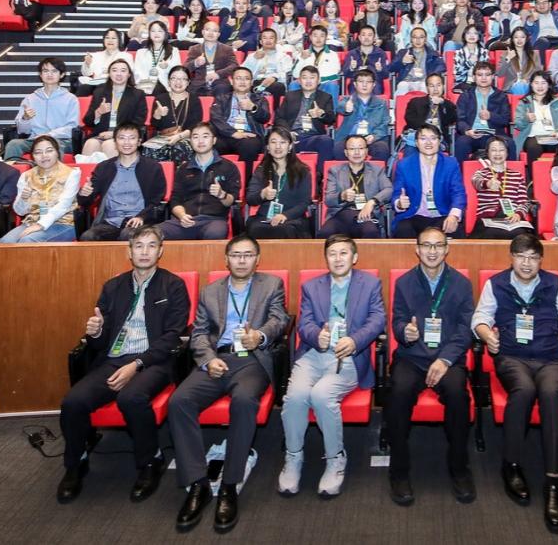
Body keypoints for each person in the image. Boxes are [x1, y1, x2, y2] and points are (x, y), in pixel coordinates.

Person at [56, 227, 191, 504]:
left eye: (151, 246)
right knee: (73, 402)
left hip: (154, 361)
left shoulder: (173, 286)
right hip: (114, 359)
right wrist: (95, 332)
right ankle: (75, 463)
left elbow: (173, 336)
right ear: (129, 252)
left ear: (160, 251)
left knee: (131, 398)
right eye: (138, 246)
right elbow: (99, 341)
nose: (144, 251)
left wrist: (138, 364)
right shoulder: (113, 286)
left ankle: (150, 461)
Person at [170, 237, 288, 533]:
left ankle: (230, 484)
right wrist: (208, 359)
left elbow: (279, 319)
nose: (242, 260)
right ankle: (198, 483)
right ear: (226, 259)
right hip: (217, 360)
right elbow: (199, 333)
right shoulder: (210, 292)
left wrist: (259, 336)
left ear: (257, 259)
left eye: (248, 255)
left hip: (252, 360)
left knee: (244, 401)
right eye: (236, 255)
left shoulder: (271, 285)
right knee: (179, 401)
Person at [472, 232, 558, 533]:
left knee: (551, 392)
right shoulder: (496, 284)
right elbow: (480, 317)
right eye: (521, 257)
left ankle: (553, 482)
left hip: (550, 358)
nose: (526, 263)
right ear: (511, 258)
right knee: (524, 390)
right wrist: (487, 334)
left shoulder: (555, 284)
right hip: (512, 357)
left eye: (533, 258)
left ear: (541, 260)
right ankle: (511, 465)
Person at [278, 236, 386, 497]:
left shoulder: (370, 283)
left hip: (348, 356)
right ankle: (293, 457)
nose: (338, 259)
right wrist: (317, 336)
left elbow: (378, 319)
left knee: (321, 395)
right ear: (326, 258)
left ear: (354, 257)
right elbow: (304, 324)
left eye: (344, 253)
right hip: (314, 354)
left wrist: (355, 340)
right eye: (332, 254)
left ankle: (335, 458)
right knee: (295, 397)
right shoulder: (311, 286)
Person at [385, 227, 477, 506]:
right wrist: (404, 331)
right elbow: (397, 320)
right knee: (398, 392)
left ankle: (459, 468)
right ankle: (399, 471)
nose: (432, 251)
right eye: (426, 245)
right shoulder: (404, 282)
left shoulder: (461, 284)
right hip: (412, 357)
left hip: (447, 358)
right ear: (417, 249)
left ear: (447, 249)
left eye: (438, 245)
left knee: (458, 395)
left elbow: (465, 329)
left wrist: (445, 359)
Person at [78, 125, 165, 241]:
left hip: (139, 222)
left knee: (128, 235)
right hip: (110, 222)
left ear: (139, 142)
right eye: (122, 138)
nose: (126, 142)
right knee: (88, 236)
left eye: (132, 138)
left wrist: (142, 217)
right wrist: (84, 193)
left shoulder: (152, 167)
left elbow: (157, 200)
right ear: (115, 142)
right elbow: (85, 202)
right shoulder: (104, 168)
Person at [159, 124, 241, 240]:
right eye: (195, 137)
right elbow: (175, 199)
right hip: (185, 221)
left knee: (215, 234)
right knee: (155, 233)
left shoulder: (228, 167)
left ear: (214, 140)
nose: (200, 141)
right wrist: (182, 215)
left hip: (214, 221)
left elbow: (232, 200)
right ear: (191, 141)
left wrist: (222, 195)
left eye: (205, 136)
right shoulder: (183, 169)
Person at [0, 135, 80, 242]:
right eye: (38, 152)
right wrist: (24, 199)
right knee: (5, 242)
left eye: (49, 151)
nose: (44, 156)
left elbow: (64, 205)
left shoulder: (72, 173)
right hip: (32, 222)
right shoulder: (26, 176)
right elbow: (20, 212)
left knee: (27, 241)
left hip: (64, 222)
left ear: (57, 152)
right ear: (32, 156)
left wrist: (40, 225)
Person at [391, 124, 466, 238]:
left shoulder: (450, 164)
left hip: (442, 214)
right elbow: (396, 194)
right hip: (414, 215)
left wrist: (453, 216)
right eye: (423, 138)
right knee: (403, 230)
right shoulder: (404, 165)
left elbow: (458, 193)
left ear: (439, 141)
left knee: (455, 230)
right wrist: (400, 204)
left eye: (433, 138)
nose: (428, 142)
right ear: (416, 143)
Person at [244, 128, 315, 240]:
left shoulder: (302, 171)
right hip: (264, 217)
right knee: (255, 228)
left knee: (285, 230)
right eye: (273, 142)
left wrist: (285, 215)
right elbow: (250, 199)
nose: (278, 146)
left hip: (292, 218)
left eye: (282, 142)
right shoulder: (261, 170)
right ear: (268, 147)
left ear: (290, 147)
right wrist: (262, 194)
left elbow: (304, 203)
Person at [319, 135, 392, 238]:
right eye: (352, 149)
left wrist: (372, 202)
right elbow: (328, 200)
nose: (357, 152)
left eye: (361, 148)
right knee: (324, 234)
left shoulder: (377, 170)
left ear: (366, 151)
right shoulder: (335, 171)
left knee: (370, 232)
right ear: (346, 152)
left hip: (366, 214)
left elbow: (389, 189)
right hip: (341, 214)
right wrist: (342, 196)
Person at [6, 58, 79, 161]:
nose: (49, 74)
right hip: (35, 140)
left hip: (61, 140)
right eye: (45, 71)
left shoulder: (70, 99)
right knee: (13, 144)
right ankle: (11, 171)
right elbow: (22, 130)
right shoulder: (30, 98)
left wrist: (50, 135)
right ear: (40, 74)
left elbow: (72, 126)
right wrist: (25, 119)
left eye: (54, 71)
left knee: (53, 147)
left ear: (62, 75)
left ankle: (55, 172)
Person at [79, 59, 147, 160]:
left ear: (129, 75)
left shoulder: (138, 94)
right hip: (100, 134)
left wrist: (115, 133)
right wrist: (98, 112)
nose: (118, 74)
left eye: (123, 70)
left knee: (109, 145)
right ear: (109, 74)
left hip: (124, 136)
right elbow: (87, 121)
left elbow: (138, 121)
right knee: (90, 144)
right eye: (114, 70)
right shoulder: (99, 92)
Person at [470, 136, 533, 239]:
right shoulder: (481, 173)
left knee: (522, 236)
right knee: (490, 234)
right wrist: (488, 184)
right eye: (493, 150)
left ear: (507, 153)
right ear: (487, 153)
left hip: (512, 218)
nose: (498, 154)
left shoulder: (517, 176)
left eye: (501, 150)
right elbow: (476, 182)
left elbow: (524, 202)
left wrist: (518, 214)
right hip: (488, 218)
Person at [454, 61, 513, 162]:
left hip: (495, 135)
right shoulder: (466, 96)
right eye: (480, 75)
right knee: (461, 143)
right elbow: (460, 120)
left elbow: (505, 119)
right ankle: (460, 172)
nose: (484, 78)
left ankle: (510, 172)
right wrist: (467, 130)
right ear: (474, 77)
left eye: (487, 75)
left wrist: (490, 116)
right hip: (472, 134)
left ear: (493, 76)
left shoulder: (501, 96)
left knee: (510, 143)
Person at [209, 67, 271, 162]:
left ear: (251, 82)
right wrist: (233, 133)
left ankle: (247, 172)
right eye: (238, 78)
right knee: (208, 144)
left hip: (249, 136)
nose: (242, 81)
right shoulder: (221, 99)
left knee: (250, 145)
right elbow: (216, 119)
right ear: (231, 81)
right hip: (225, 135)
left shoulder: (260, 100)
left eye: (246, 78)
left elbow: (265, 118)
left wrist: (253, 108)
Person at [514, 71, 558, 166]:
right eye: (536, 83)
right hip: (533, 137)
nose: (540, 86)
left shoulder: (557, 101)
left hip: (553, 136)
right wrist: (526, 119)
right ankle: (533, 175)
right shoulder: (524, 102)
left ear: (549, 85)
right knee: (533, 147)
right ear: (531, 84)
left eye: (543, 83)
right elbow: (518, 124)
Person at [333, 69, 390, 161]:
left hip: (371, 137)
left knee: (382, 150)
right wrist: (346, 108)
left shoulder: (381, 103)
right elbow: (340, 107)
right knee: (338, 150)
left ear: (374, 84)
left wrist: (375, 136)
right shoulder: (347, 100)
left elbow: (385, 123)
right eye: (361, 81)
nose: (364, 85)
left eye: (368, 82)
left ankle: (371, 170)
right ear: (355, 84)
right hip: (349, 137)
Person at [148, 65, 203, 156]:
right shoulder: (160, 98)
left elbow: (195, 127)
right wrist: (157, 115)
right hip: (163, 138)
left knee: (179, 148)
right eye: (174, 78)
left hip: (185, 138)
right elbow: (155, 126)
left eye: (183, 79)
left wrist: (179, 136)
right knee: (149, 150)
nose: (178, 82)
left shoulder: (194, 100)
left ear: (188, 82)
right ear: (169, 81)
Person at [402, 73, 457, 154]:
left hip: (437, 139)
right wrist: (428, 127)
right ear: (427, 88)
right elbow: (410, 120)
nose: (435, 89)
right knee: (411, 152)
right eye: (432, 86)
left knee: (434, 152)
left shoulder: (448, 104)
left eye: (438, 85)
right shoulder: (416, 102)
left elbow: (453, 119)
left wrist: (443, 103)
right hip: (418, 137)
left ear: (443, 86)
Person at [184, 20, 239, 97]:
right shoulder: (194, 49)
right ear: (203, 32)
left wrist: (218, 74)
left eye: (214, 31)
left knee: (223, 90)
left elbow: (234, 66)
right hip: (199, 83)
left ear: (218, 34)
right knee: (188, 92)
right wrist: (195, 63)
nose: (210, 33)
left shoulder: (227, 49)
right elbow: (186, 68)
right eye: (207, 30)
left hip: (220, 82)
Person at [241, 27, 294, 102]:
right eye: (265, 38)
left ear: (276, 41)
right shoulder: (253, 56)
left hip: (275, 82)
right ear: (261, 41)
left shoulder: (284, 57)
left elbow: (287, 74)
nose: (268, 40)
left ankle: (274, 108)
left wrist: (274, 78)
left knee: (278, 86)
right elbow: (243, 72)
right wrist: (254, 59)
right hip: (256, 81)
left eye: (271, 38)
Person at [389, 26, 444, 96]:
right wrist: (402, 61)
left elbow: (442, 66)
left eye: (421, 37)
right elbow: (390, 68)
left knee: (425, 87)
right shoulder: (402, 52)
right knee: (402, 86)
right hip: (406, 81)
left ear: (425, 39)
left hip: (424, 82)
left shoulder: (432, 54)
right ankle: (397, 103)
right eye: (415, 37)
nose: (418, 40)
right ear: (411, 39)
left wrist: (432, 75)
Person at [293, 24, 343, 98]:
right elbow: (295, 74)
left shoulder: (332, 54)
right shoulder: (302, 54)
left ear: (326, 38)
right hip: (306, 84)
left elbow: (335, 73)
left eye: (322, 36)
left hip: (323, 84)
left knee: (332, 85)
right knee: (294, 84)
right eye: (315, 36)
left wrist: (318, 79)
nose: (318, 39)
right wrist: (302, 59)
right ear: (310, 37)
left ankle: (331, 106)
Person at [132, 20, 181, 93]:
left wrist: (167, 67)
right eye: (153, 31)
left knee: (159, 89)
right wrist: (148, 83)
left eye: (160, 31)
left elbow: (177, 72)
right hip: (144, 85)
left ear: (165, 34)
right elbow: (137, 72)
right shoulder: (141, 52)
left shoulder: (174, 51)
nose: (156, 33)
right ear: (149, 34)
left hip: (165, 86)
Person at [79, 28, 130, 94]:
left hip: (117, 84)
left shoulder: (126, 56)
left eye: (113, 38)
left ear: (119, 41)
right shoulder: (95, 56)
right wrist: (87, 64)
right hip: (96, 85)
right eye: (107, 38)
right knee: (83, 88)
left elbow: (129, 74)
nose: (110, 40)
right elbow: (86, 74)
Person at [496, 26, 544, 95]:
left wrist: (527, 80)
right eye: (516, 37)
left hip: (529, 85)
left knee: (522, 86)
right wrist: (508, 58)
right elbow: (500, 74)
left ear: (526, 39)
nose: (519, 40)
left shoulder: (534, 54)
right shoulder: (506, 54)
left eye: (522, 37)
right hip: (511, 87)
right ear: (512, 39)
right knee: (519, 87)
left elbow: (538, 73)